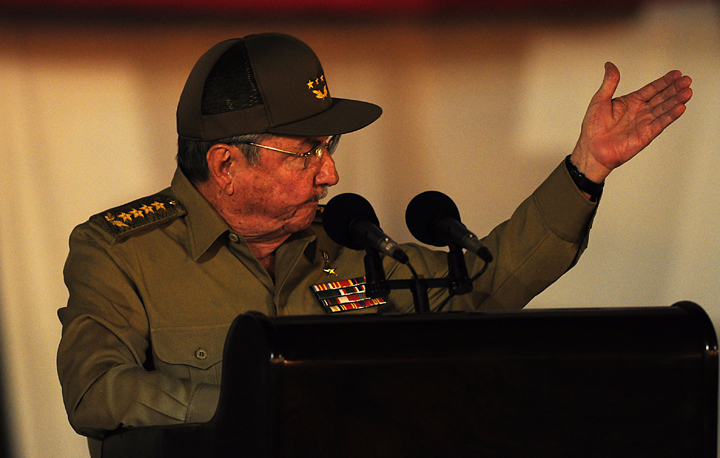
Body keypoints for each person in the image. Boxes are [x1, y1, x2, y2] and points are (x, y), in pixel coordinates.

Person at [56, 32, 693, 452]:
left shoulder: (347, 245)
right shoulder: (119, 252)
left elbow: (486, 284)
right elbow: (96, 390)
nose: (330, 174)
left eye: (329, 148)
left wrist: (586, 168)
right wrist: (272, 403)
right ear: (226, 165)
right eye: (307, 152)